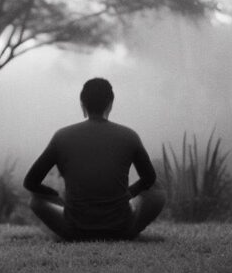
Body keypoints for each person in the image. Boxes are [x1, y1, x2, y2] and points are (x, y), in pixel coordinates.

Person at [23, 77, 163, 241]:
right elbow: (149, 179)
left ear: (82, 104)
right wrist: (128, 194)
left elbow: (30, 182)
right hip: (121, 228)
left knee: (35, 200)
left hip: (74, 230)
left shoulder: (62, 136)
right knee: (157, 190)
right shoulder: (129, 136)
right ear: (110, 104)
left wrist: (56, 197)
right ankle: (126, 230)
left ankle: (74, 228)